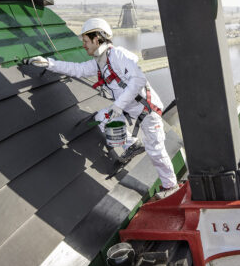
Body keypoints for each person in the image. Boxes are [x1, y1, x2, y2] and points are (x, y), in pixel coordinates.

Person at [27, 18, 179, 197]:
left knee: (156, 150)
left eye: (86, 41)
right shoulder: (99, 63)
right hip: (128, 109)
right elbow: (76, 69)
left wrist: (118, 104)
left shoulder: (119, 55)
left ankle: (171, 187)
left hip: (147, 111)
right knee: (101, 118)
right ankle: (133, 145)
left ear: (97, 38)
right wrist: (48, 63)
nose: (83, 45)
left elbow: (138, 80)